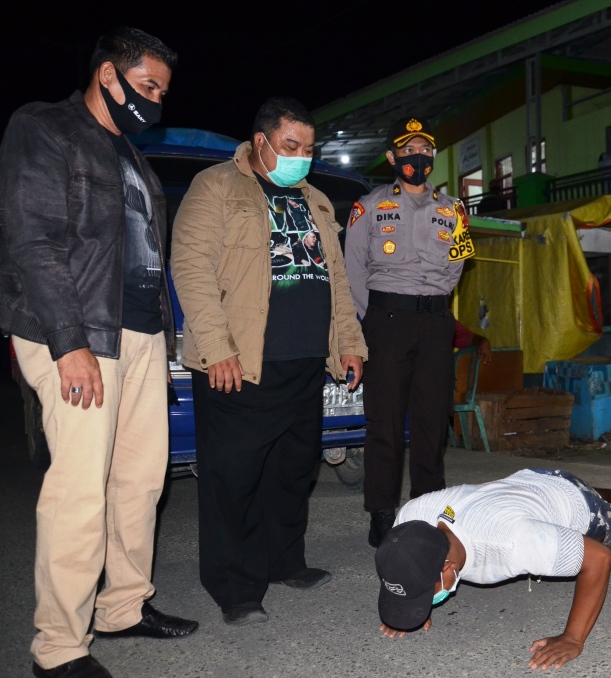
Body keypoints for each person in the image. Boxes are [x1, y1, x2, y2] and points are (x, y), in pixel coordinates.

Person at [0, 27, 198, 678]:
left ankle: (122, 607)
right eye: (147, 86)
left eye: (163, 92)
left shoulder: (132, 155)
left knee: (140, 482)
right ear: (108, 75)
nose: (156, 101)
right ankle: (58, 647)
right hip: (80, 332)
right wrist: (70, 343)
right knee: (80, 489)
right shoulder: (44, 127)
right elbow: (32, 242)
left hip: (138, 336)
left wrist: (160, 345)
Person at [170, 97, 367, 626]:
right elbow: (191, 267)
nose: (302, 156)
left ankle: (284, 561)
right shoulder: (216, 186)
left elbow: (336, 279)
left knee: (291, 472)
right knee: (232, 478)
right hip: (242, 363)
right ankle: (233, 585)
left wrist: (350, 341)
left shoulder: (316, 200)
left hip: (305, 361)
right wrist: (217, 348)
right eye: (290, 146)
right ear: (260, 142)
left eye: (309, 148)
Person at [373, 468, 611, 670]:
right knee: (585, 499)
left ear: (448, 568)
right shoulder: (409, 520)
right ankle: (605, 496)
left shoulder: (513, 541)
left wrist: (573, 638)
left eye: (425, 593)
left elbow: (599, 559)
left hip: (570, 503)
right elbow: (409, 562)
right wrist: (412, 602)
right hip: (529, 484)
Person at [345, 117, 474, 548]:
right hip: (386, 321)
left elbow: (456, 267)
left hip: (435, 322)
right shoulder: (368, 206)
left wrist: (430, 302)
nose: (418, 157)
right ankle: (382, 514)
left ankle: (427, 510)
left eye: (425, 150)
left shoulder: (454, 210)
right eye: (408, 150)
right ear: (392, 157)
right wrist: (371, 321)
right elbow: (353, 270)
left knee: (432, 423)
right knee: (383, 422)